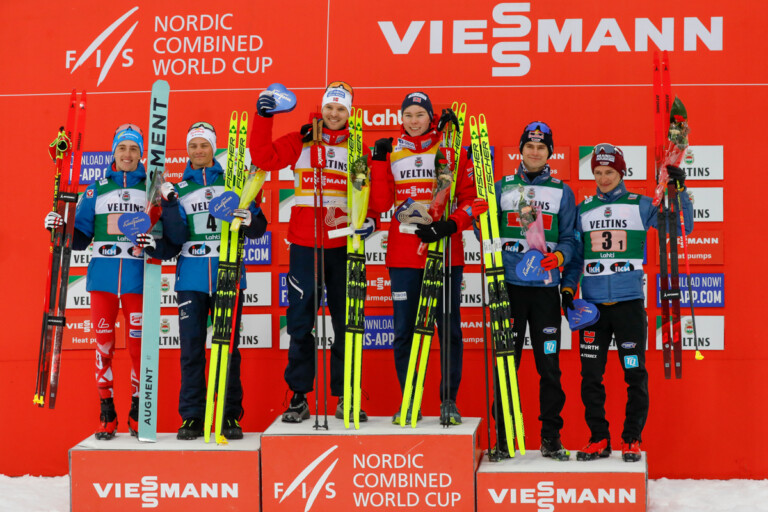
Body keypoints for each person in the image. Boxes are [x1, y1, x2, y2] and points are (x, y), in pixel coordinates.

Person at [250, 82, 376, 423]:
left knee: (347, 324)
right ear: (322, 109)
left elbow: (372, 197)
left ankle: (346, 394)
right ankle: (298, 396)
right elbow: (263, 158)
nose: (334, 114)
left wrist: (373, 221)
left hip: (344, 247)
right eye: (330, 107)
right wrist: (263, 117)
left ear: (350, 113)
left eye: (341, 109)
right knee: (301, 323)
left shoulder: (357, 147)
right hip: (305, 245)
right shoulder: (301, 139)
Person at [43, 124, 176, 440]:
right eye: (122, 149)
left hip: (137, 278)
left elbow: (165, 233)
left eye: (133, 149)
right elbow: (79, 238)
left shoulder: (152, 188)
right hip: (103, 279)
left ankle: (136, 409)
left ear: (141, 154)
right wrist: (57, 227)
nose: (127, 155)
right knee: (102, 347)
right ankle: (106, 412)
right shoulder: (96, 189)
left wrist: (163, 208)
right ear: (114, 153)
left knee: (136, 349)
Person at [561, 143, 693, 462]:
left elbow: (680, 226)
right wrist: (567, 290)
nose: (603, 178)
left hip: (629, 306)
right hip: (592, 309)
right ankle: (598, 438)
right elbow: (576, 260)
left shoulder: (641, 205)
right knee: (591, 376)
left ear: (621, 172)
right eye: (598, 173)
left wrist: (679, 190)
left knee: (634, 373)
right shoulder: (584, 209)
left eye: (609, 172)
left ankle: (631, 438)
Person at [368, 91, 476, 425]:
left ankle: (448, 401)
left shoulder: (451, 149)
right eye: (408, 115)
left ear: (430, 117)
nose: (414, 121)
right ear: (401, 118)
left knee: (448, 329)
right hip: (403, 253)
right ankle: (410, 400)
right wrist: (377, 160)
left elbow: (473, 201)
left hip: (444, 249)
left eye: (420, 114)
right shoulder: (392, 149)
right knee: (404, 331)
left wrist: (449, 225)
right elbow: (382, 201)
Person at [158, 121, 268, 440]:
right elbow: (175, 239)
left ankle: (230, 416)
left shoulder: (233, 183)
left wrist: (250, 218)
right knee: (192, 350)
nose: (198, 151)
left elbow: (259, 226)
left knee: (229, 349)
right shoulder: (180, 189)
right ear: (187, 150)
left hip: (229, 275)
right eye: (193, 145)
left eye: (204, 145)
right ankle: (192, 416)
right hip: (190, 278)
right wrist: (167, 208)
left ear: (213, 148)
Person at [488, 121, 577, 460]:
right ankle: (505, 439)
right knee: (505, 365)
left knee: (549, 366)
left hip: (544, 290)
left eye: (542, 147)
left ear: (549, 152)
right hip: (509, 289)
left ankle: (550, 437)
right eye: (530, 146)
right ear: (521, 150)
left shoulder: (561, 191)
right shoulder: (502, 188)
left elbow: (570, 238)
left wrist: (560, 256)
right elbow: (489, 233)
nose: (535, 152)